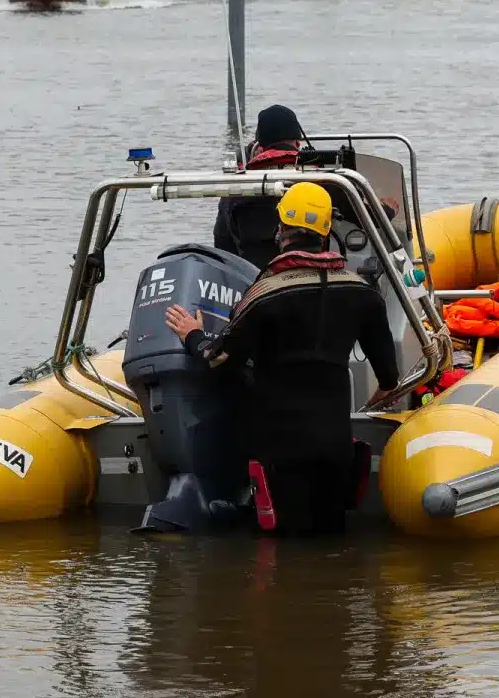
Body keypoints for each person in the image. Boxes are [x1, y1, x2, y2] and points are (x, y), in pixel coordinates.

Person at [166, 182, 399, 536]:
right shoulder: (362, 293)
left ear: (281, 232)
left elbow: (218, 359)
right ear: (326, 234)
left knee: (284, 544)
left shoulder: (264, 293)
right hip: (336, 446)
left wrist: (192, 335)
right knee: (330, 539)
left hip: (281, 448)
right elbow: (388, 378)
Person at [213, 104, 307, 271]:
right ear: (298, 144)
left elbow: (223, 247)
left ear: (260, 147)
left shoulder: (236, 191)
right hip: (311, 279)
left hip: (254, 282)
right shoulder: (325, 181)